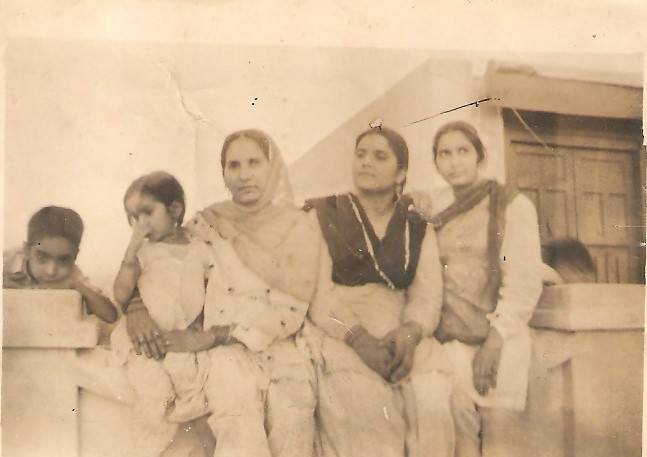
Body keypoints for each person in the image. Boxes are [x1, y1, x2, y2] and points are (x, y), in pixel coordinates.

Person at [123, 129, 319, 457]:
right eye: (233, 165)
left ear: (272, 167)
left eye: (254, 163)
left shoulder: (299, 226)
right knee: (233, 403)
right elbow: (163, 261)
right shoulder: (209, 222)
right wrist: (136, 307)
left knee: (292, 408)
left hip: (275, 340)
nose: (243, 175)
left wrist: (220, 335)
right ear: (224, 173)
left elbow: (292, 308)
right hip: (217, 347)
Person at [303, 127, 454, 457]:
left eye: (379, 156)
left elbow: (427, 296)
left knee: (432, 400)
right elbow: (319, 295)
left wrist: (411, 332)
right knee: (365, 407)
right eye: (361, 155)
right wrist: (358, 338)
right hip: (341, 330)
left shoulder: (417, 225)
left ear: (401, 173)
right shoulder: (325, 215)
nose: (366, 162)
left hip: (399, 331)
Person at [413, 120, 544, 457]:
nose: (454, 162)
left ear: (480, 157)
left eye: (463, 151)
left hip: (502, 334)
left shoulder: (510, 205)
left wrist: (494, 343)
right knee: (458, 427)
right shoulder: (434, 207)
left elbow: (524, 282)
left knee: (499, 436)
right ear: (435, 161)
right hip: (452, 336)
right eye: (444, 154)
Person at [110, 171, 213, 457]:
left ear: (175, 210)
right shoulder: (143, 253)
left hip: (178, 338)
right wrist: (131, 252)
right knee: (154, 392)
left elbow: (212, 291)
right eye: (134, 217)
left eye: (147, 212)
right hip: (144, 340)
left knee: (194, 389)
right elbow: (121, 294)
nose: (140, 224)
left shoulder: (200, 249)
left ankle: (211, 450)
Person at [3, 205, 117, 323]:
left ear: (75, 256)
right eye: (42, 257)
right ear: (26, 250)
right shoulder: (8, 260)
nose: (51, 271)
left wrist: (78, 287)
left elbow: (110, 316)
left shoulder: (73, 275)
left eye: (63, 260)